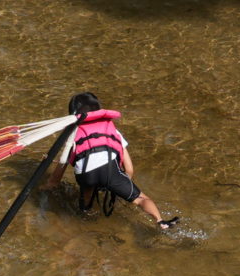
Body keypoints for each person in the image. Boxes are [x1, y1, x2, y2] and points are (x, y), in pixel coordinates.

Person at [47, 92, 180, 232]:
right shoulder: (111, 129)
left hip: (86, 174)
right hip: (110, 171)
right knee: (141, 199)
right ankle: (160, 221)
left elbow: (59, 170)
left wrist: (49, 185)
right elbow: (129, 168)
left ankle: (85, 222)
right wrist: (122, 185)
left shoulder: (73, 132)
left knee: (86, 198)